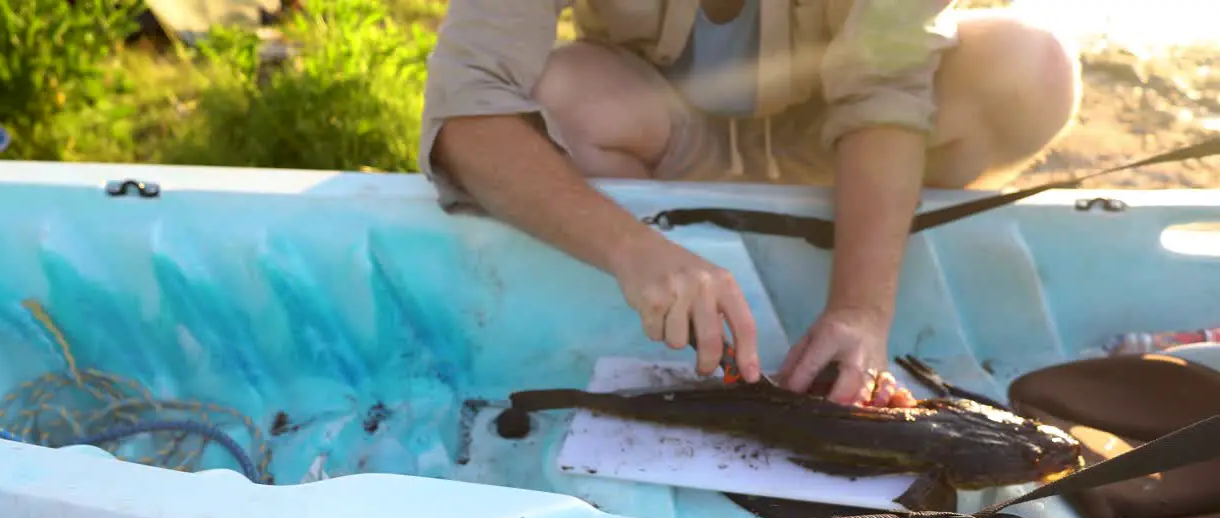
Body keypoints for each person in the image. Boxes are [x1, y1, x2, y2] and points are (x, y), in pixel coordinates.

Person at [419, 0, 1081, 408]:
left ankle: (853, 243)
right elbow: (465, 110)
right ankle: (673, 288)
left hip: (825, 143)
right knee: (562, 97)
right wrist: (636, 252)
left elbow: (888, 92)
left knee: (1032, 67)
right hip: (665, 129)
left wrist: (861, 308)